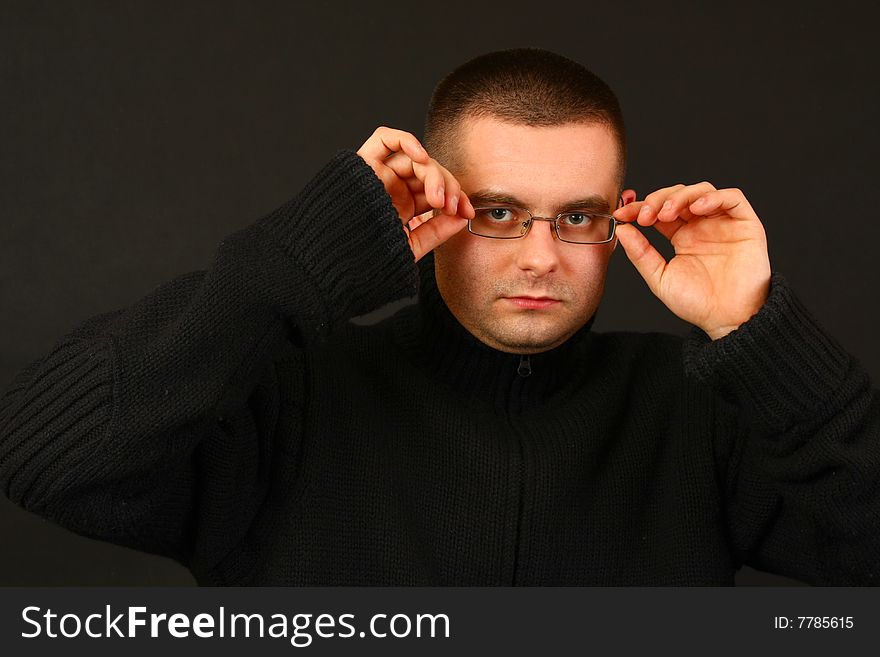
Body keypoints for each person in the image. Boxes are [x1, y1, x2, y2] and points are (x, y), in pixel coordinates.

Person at [1, 48, 877, 586]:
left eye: (578, 216)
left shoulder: (698, 412)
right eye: (498, 212)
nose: (541, 257)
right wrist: (303, 253)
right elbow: (43, 456)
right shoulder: (288, 401)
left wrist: (761, 332)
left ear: (620, 220)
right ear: (435, 207)